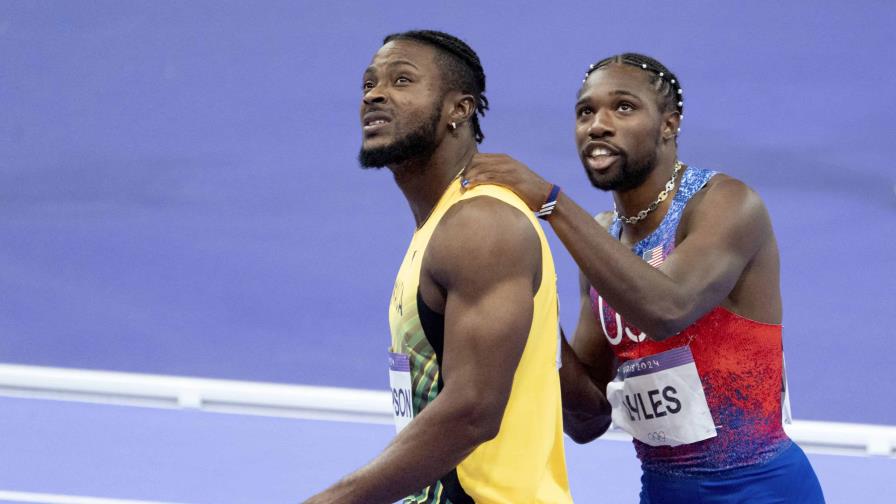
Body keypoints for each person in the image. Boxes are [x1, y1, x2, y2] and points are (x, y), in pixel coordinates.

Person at [463, 53, 825, 502]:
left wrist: (551, 201)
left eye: (624, 107)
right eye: (586, 111)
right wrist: (527, 311)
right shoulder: (600, 237)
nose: (598, 124)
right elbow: (587, 419)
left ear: (669, 125)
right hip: (660, 491)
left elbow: (666, 308)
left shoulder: (726, 204)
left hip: (760, 491)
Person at [304, 30, 573, 504]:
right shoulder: (444, 224)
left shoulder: (481, 224)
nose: (375, 95)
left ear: (459, 109)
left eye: (402, 80)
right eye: (369, 84)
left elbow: (472, 412)